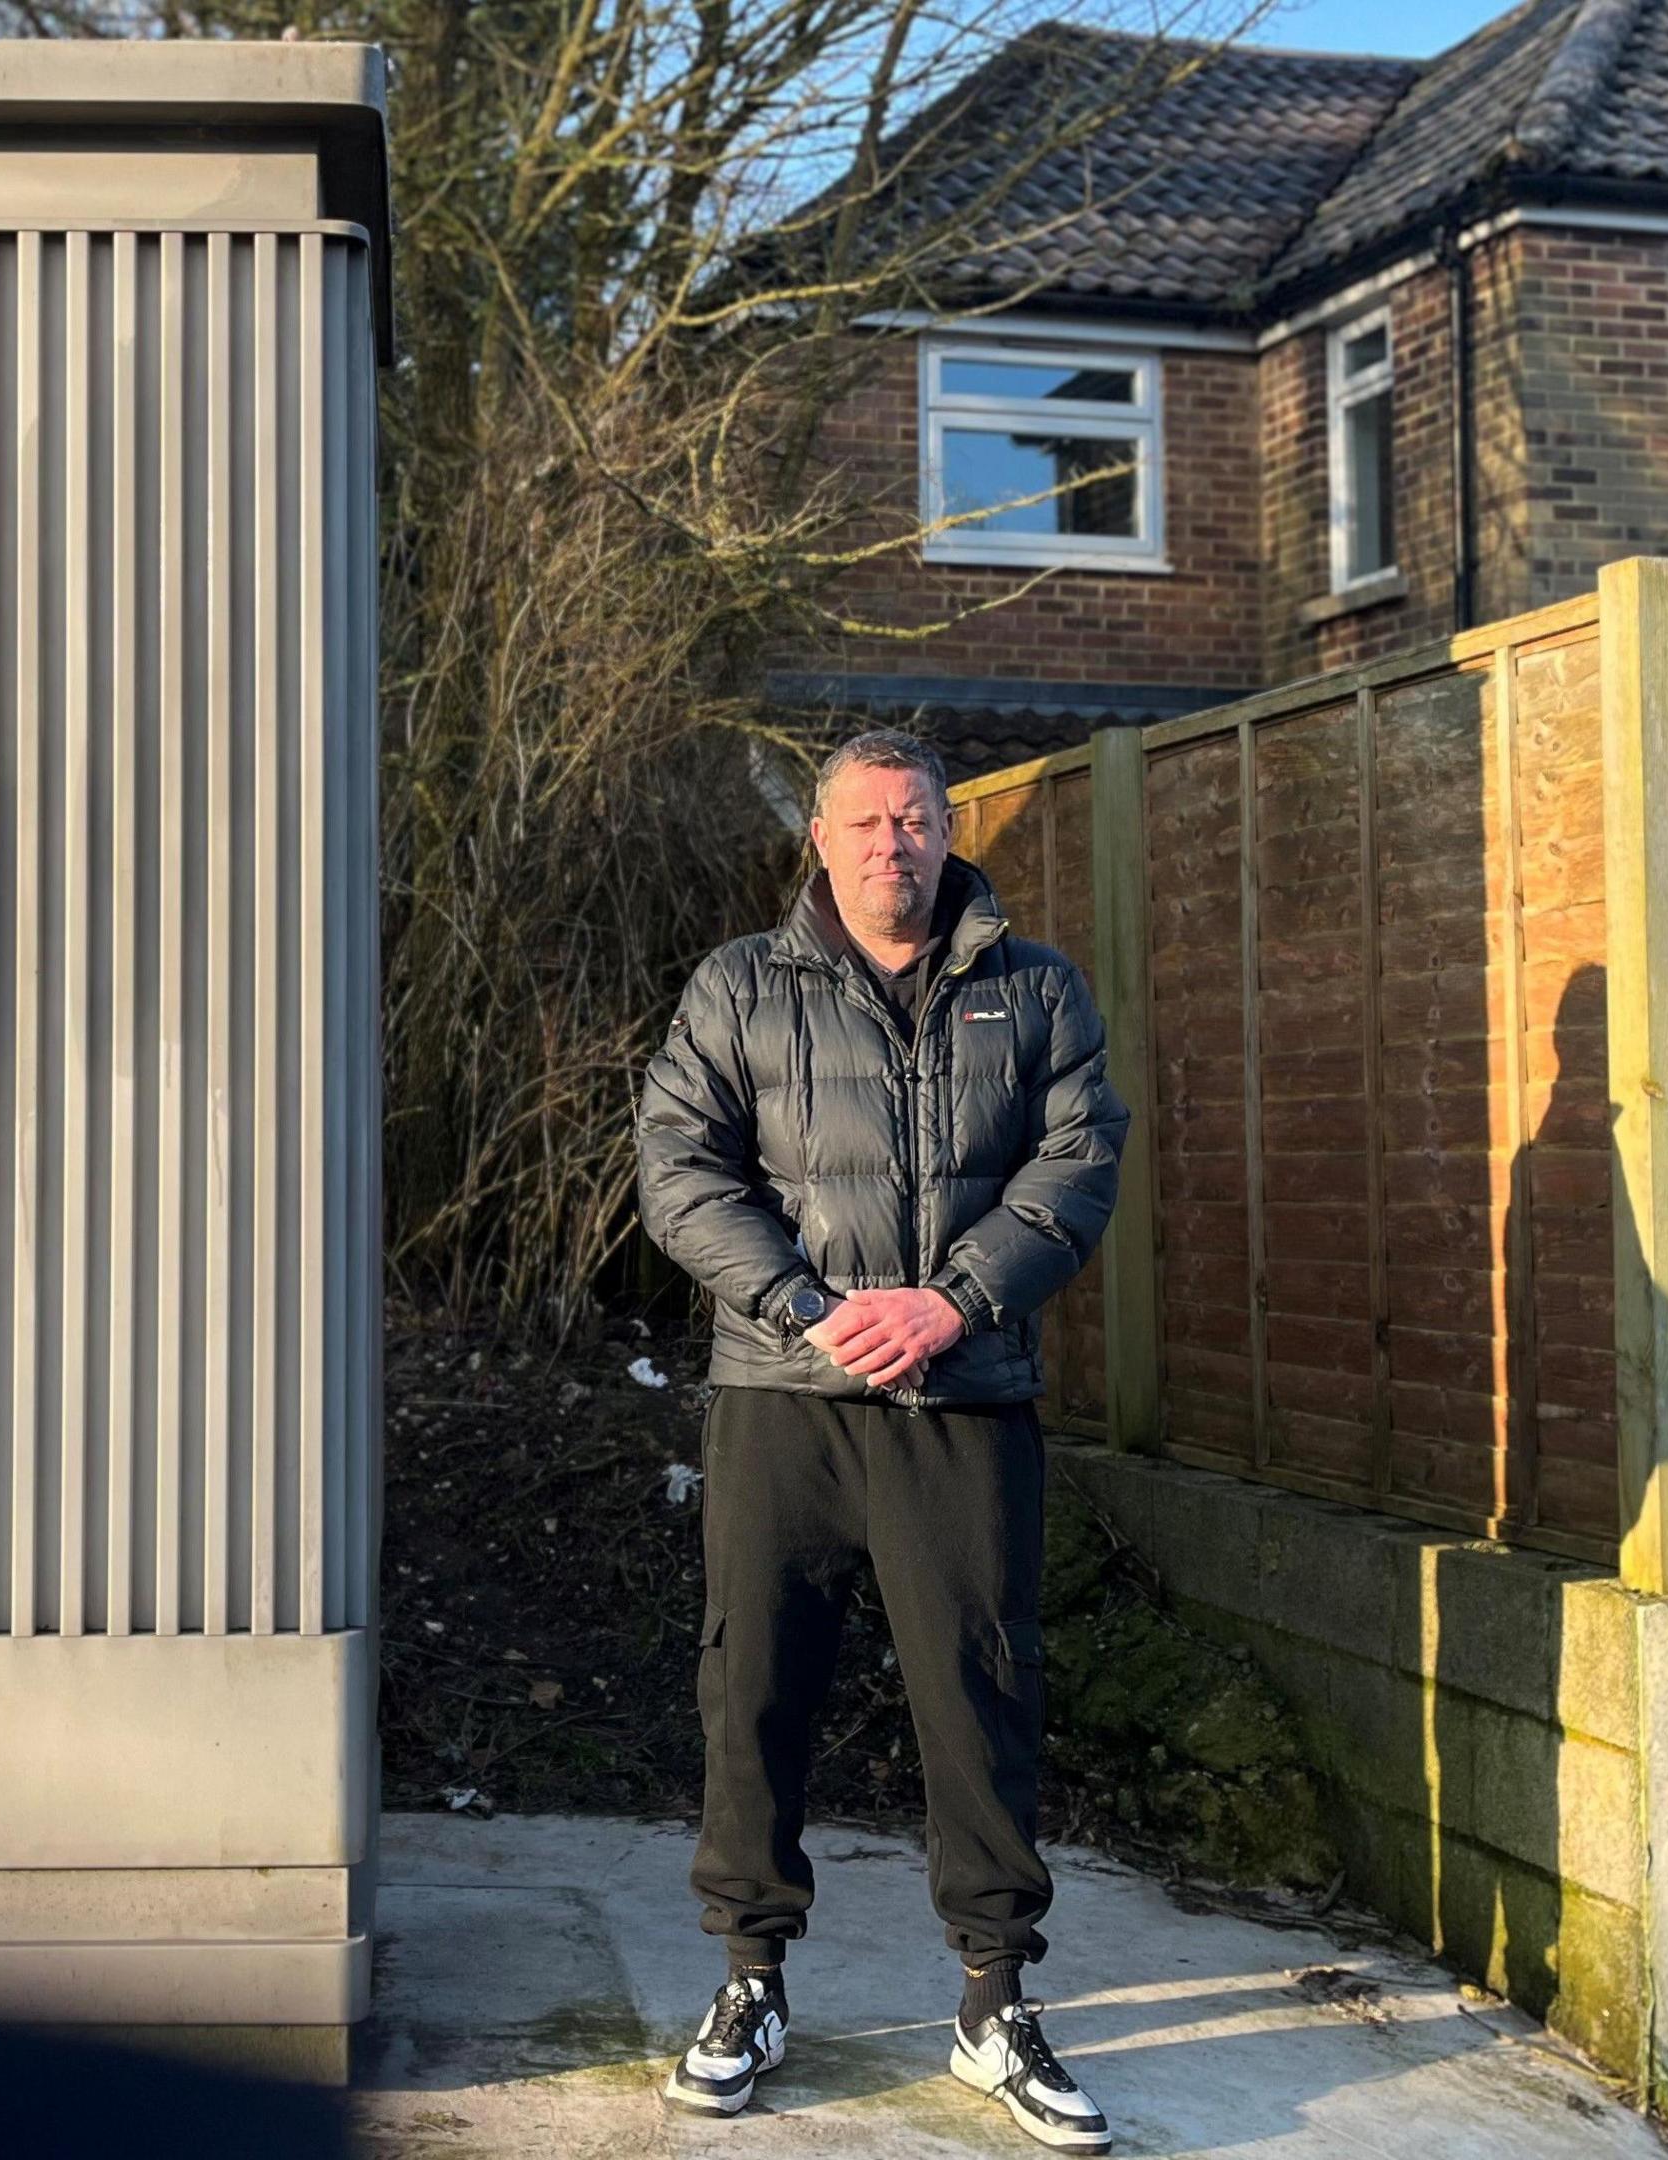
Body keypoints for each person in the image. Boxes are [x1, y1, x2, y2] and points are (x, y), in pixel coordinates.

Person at [632, 727, 1129, 2150]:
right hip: (782, 1396)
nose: (889, 845)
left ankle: (994, 2003)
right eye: (863, 823)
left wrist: (952, 1303)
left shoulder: (1034, 989)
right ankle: (749, 1982)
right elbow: (677, 1165)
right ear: (822, 839)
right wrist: (802, 1305)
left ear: (948, 827)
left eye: (912, 820)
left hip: (963, 1400)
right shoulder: (740, 985)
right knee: (756, 1687)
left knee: (980, 1698)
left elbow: (1080, 1157)